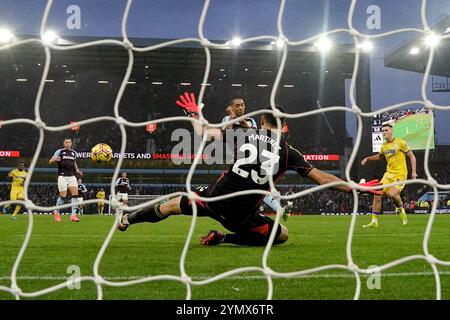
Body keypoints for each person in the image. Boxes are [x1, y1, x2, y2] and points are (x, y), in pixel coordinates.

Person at [117, 96, 380, 246]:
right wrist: (357, 188)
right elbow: (322, 178)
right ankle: (225, 237)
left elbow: (204, 133)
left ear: (262, 122)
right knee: (282, 235)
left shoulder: (246, 134)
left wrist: (195, 114)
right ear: (285, 126)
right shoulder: (289, 152)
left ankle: (127, 221)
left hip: (214, 200)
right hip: (241, 218)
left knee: (172, 205)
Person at [361, 123, 417, 228]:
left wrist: (413, 172)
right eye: (382, 131)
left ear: (391, 131)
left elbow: (412, 156)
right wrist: (368, 158)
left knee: (392, 194)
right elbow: (379, 156)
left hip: (400, 174)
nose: (384, 132)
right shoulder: (384, 145)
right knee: (377, 195)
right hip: (388, 174)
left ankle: (401, 209)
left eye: (386, 130)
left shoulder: (400, 143)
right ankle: (374, 222)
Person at [48, 137, 82, 222]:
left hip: (72, 176)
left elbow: (74, 163)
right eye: (66, 142)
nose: (67, 144)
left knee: (75, 195)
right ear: (64, 143)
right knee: (63, 196)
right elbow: (50, 161)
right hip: (62, 176)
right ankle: (56, 211)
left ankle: (73, 216)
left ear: (71, 144)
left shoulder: (74, 153)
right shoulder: (59, 152)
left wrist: (77, 170)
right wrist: (55, 159)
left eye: (69, 142)